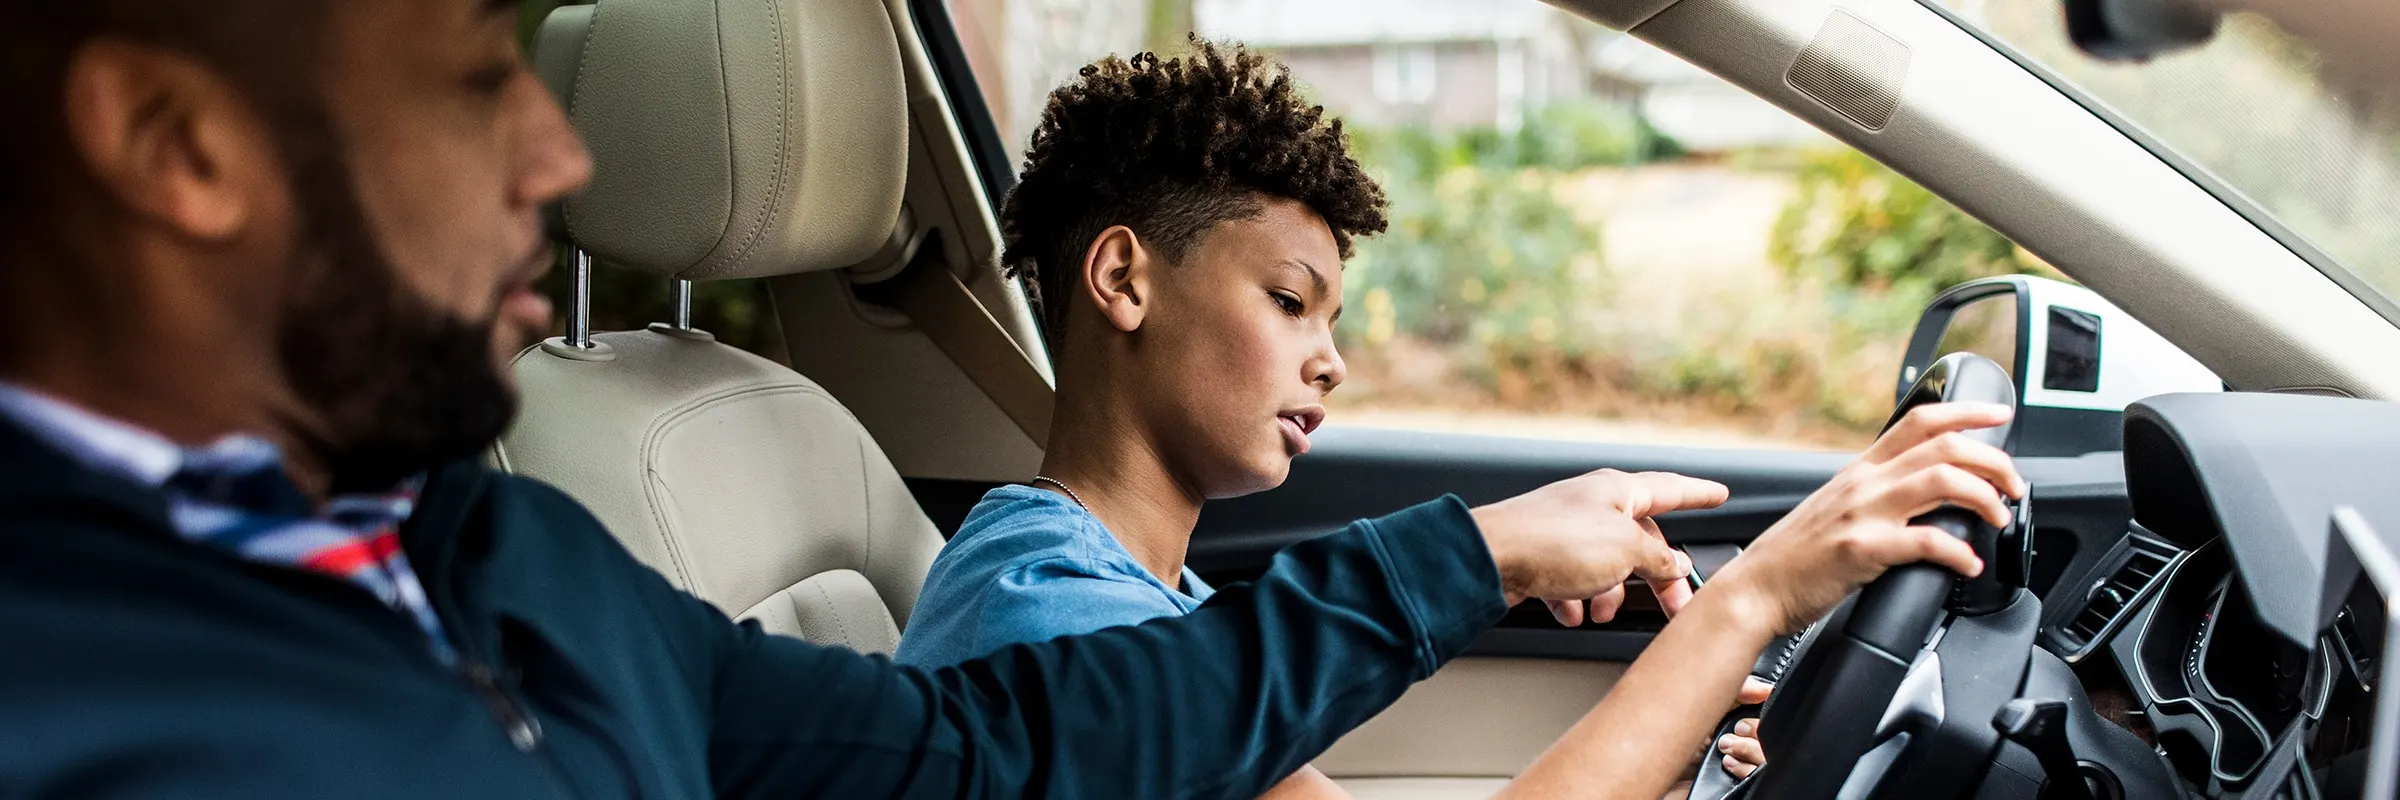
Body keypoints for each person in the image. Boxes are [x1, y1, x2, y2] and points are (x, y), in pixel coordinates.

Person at [0, 0, 2023, 797]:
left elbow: (1000, 754)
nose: (555, 152)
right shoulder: (87, 698)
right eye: (471, 74)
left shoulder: (497, 547)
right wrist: (1748, 600)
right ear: (177, 147)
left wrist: (1467, 552)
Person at [892, 41, 1793, 797]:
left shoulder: (1153, 597)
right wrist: (1747, 606)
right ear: (1125, 281)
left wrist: (1680, 770)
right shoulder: (1051, 610)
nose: (1333, 361)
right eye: (1290, 301)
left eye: (1333, 323)